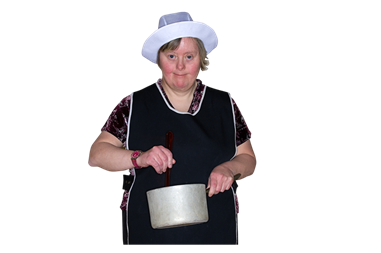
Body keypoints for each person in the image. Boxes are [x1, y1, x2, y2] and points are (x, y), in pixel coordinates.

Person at [88, 11, 256, 245]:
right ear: (158, 59)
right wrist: (140, 157)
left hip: (216, 231)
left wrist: (229, 169)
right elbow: (96, 156)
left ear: (202, 58)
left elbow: (248, 159)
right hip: (148, 232)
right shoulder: (133, 104)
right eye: (171, 55)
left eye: (189, 56)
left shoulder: (225, 104)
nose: (180, 66)